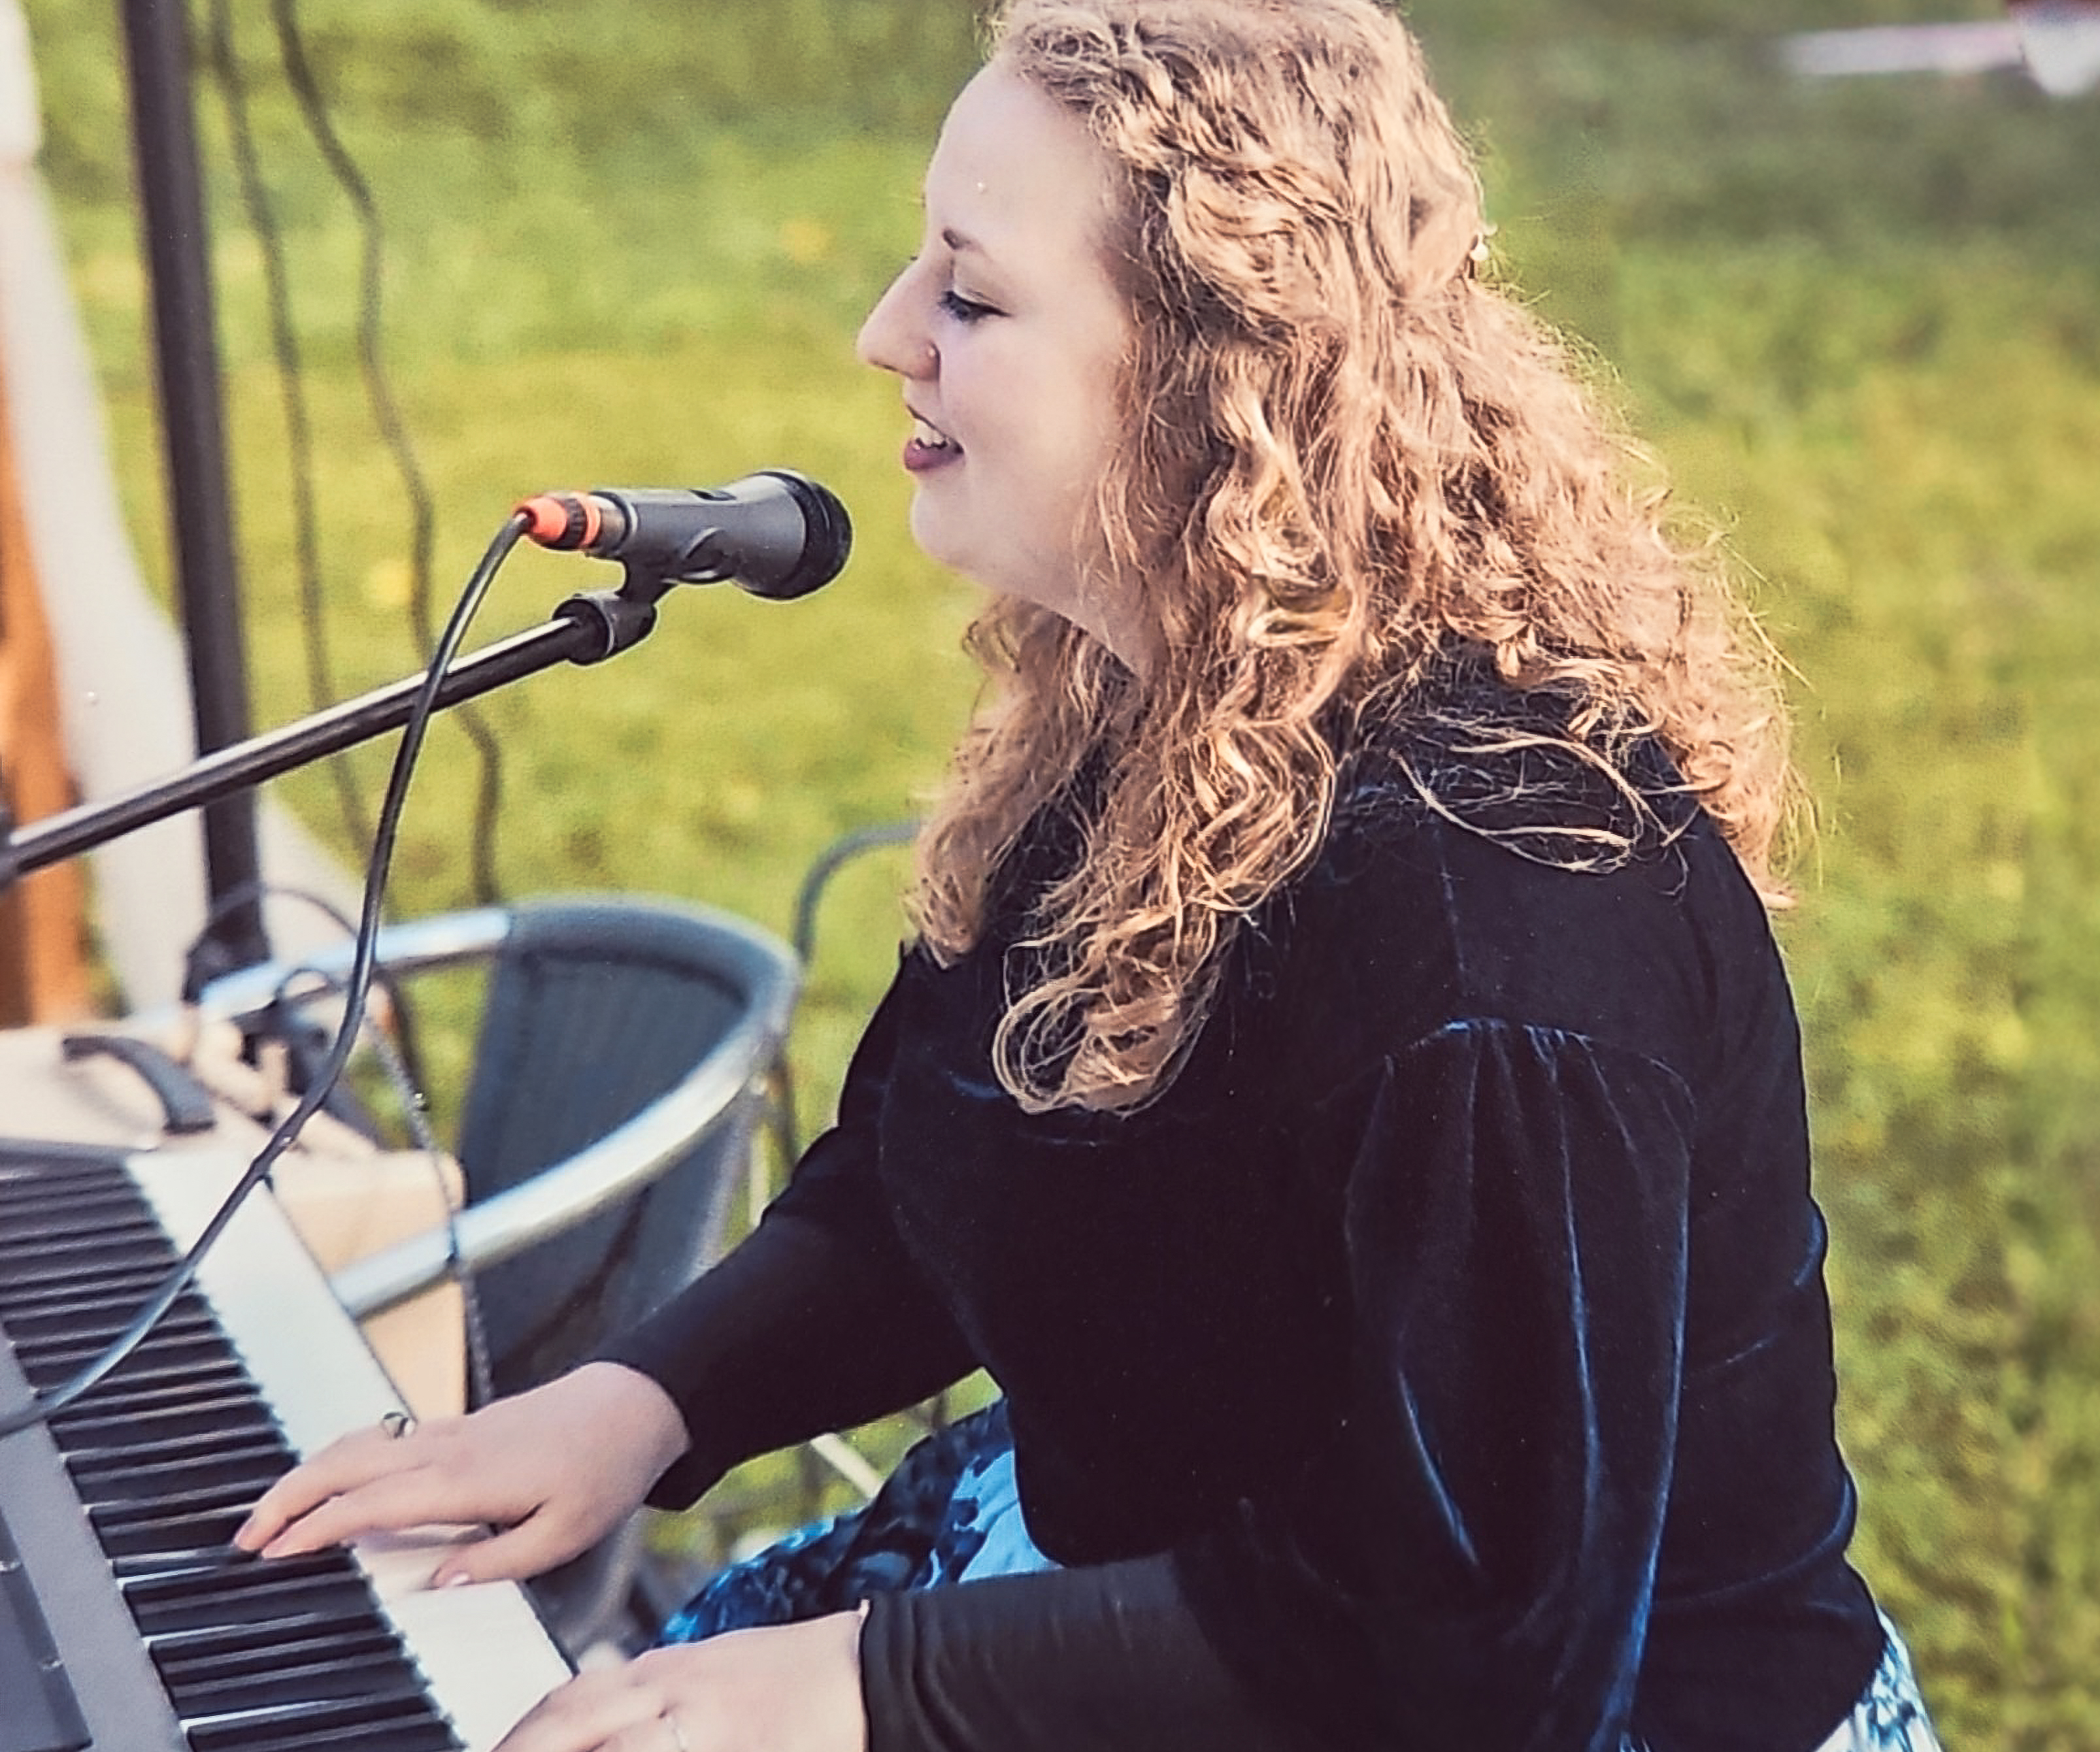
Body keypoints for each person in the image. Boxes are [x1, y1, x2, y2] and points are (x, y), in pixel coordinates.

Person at [237, 3, 1946, 1749]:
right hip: (1180, 1597)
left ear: (1221, 374)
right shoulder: (1151, 701)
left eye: (970, 297)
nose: (883, 332)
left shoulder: (1497, 922)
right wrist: (644, 1400)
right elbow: (936, 1172)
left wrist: (871, 1687)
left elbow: (1477, 1650)